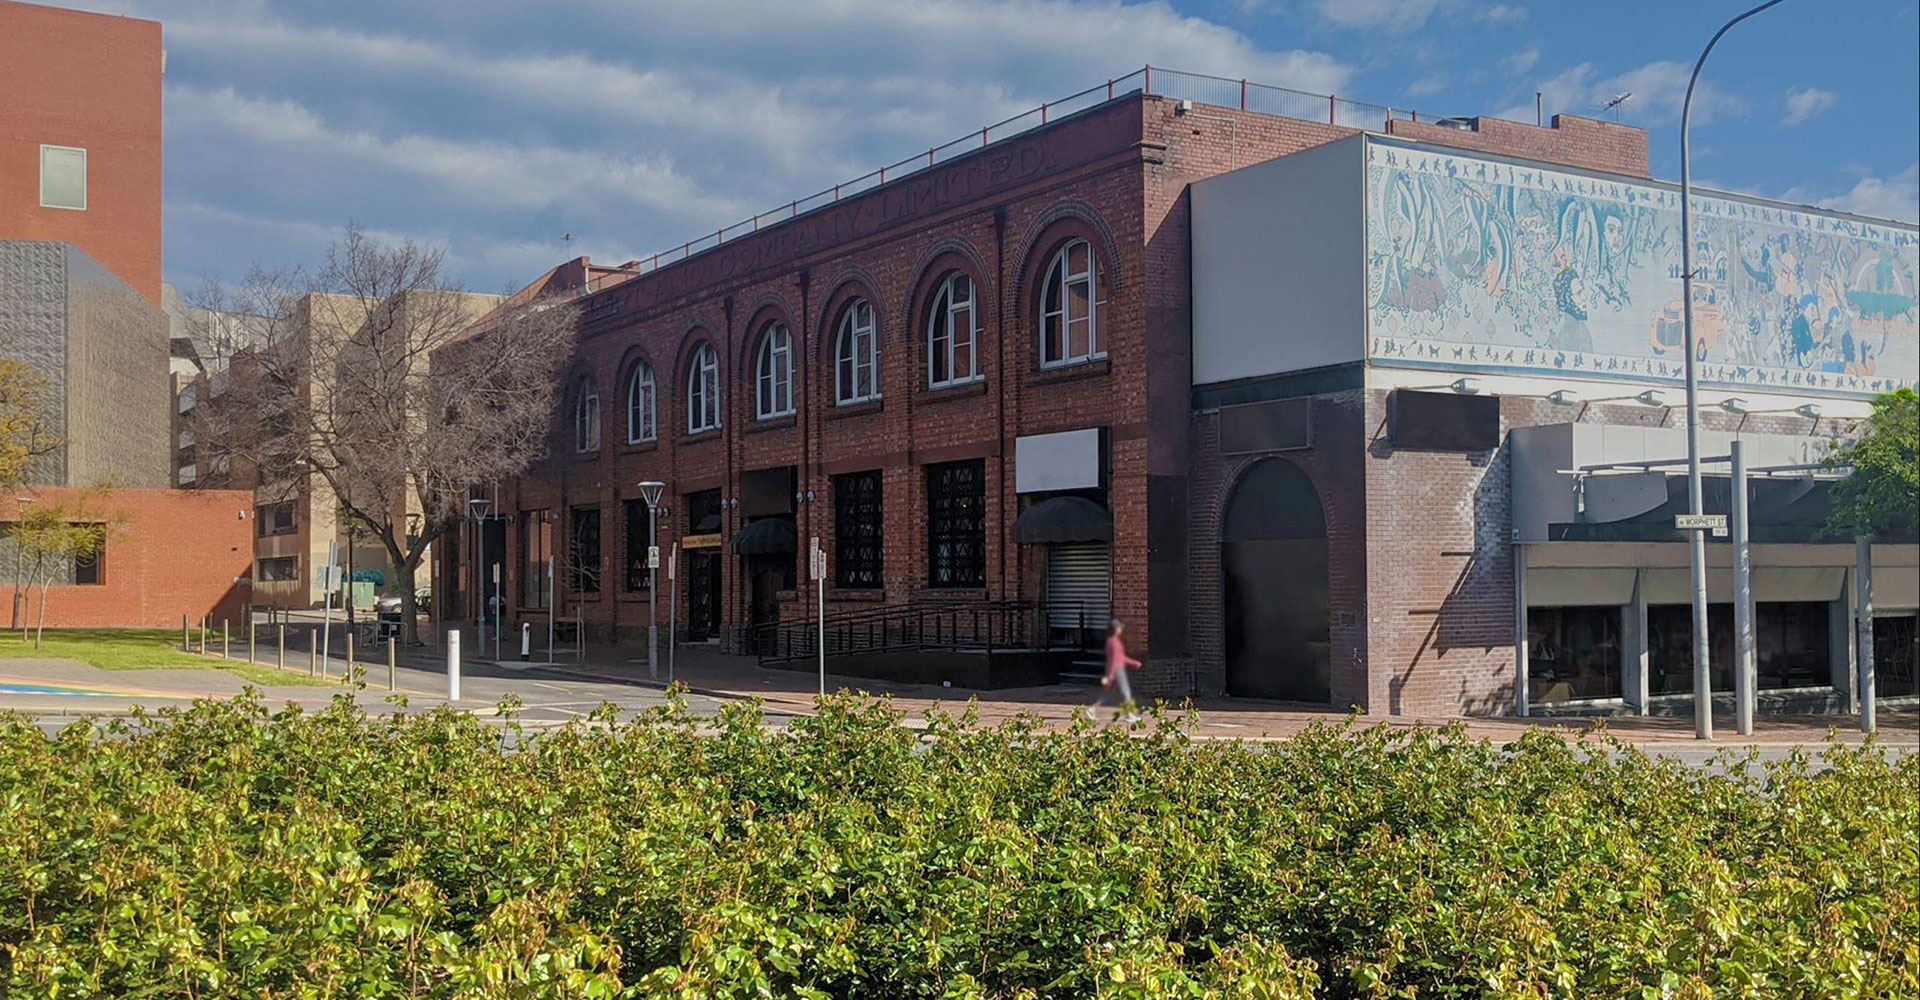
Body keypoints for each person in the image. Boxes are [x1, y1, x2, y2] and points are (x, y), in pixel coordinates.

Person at [1090, 618, 1142, 722]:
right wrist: (1111, 675)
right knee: (1126, 693)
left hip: (1117, 669)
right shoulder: (1113, 642)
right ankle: (1129, 714)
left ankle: (1092, 709)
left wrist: (1133, 663)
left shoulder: (1113, 641)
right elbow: (1114, 659)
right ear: (1114, 629)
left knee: (1108, 693)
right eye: (1119, 628)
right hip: (1118, 670)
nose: (1120, 630)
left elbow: (1120, 657)